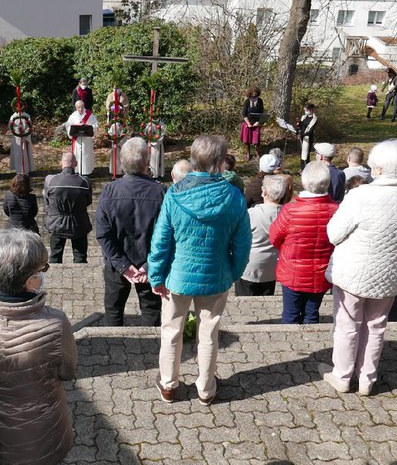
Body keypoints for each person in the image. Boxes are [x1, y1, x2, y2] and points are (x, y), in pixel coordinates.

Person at [320, 139, 397, 396]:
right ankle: (367, 379)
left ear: (379, 168)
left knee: (348, 325)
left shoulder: (361, 195)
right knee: (376, 325)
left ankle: (342, 376)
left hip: (354, 273)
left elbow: (334, 234)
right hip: (392, 273)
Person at [149, 135, 251, 405]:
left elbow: (161, 241)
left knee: (171, 331)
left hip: (177, 278)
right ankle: (206, 389)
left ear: (193, 159)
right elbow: (242, 245)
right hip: (216, 277)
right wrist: (233, 273)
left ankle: (169, 385)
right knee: (209, 334)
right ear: (219, 163)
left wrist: (156, 276)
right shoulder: (234, 197)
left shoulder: (174, 194)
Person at [0, 230, 77, 465]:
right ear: (29, 281)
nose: (43, 275)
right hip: (44, 436)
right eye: (42, 270)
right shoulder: (56, 323)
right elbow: (68, 372)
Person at [96, 138, 167, 327]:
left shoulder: (109, 191)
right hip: (149, 264)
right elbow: (168, 235)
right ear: (147, 161)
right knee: (152, 312)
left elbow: (103, 234)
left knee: (113, 311)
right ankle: (150, 350)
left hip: (116, 264)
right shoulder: (161, 193)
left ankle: (112, 350)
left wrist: (124, 265)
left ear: (121, 162)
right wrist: (147, 265)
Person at [270, 162, 339, 323]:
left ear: (303, 182)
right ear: (327, 183)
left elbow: (274, 238)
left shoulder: (290, 210)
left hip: (293, 272)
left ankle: (293, 347)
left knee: (290, 314)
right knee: (312, 313)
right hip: (322, 272)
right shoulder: (337, 210)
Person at [236, 175, 291, 297]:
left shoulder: (250, 214)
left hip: (249, 266)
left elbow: (238, 239)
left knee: (245, 301)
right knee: (266, 298)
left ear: (264, 192)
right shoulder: (287, 215)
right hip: (272, 268)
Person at [43, 152, 92, 264]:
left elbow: (47, 201)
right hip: (78, 223)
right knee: (80, 257)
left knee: (55, 256)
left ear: (61, 164)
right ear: (76, 164)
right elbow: (88, 202)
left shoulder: (50, 180)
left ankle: (54, 277)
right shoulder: (85, 181)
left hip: (56, 223)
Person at [65, 100, 98, 176]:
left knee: (86, 155)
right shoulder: (73, 116)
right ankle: (77, 170)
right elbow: (68, 126)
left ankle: (87, 171)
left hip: (87, 140)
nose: (80, 109)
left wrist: (90, 127)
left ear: (84, 106)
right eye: (78, 107)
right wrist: (75, 127)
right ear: (76, 107)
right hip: (77, 140)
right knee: (77, 155)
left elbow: (95, 125)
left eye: (82, 107)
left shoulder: (90, 115)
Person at [8, 109, 34, 175]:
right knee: (18, 154)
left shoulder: (26, 116)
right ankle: (19, 170)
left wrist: (25, 132)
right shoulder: (13, 116)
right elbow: (11, 127)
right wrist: (17, 131)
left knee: (25, 153)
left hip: (25, 137)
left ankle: (26, 170)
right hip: (17, 138)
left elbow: (29, 126)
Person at [241, 87, 264, 160]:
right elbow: (244, 114)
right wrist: (248, 123)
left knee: (257, 140)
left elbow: (262, 113)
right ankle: (248, 154)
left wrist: (258, 122)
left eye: (256, 96)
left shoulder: (260, 101)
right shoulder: (247, 101)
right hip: (247, 123)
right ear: (249, 96)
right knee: (247, 140)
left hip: (256, 123)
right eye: (252, 97)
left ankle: (257, 154)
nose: (254, 98)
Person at [297, 104, 318, 171]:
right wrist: (298, 124)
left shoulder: (314, 119)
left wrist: (302, 135)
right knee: (301, 153)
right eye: (305, 110)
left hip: (308, 138)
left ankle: (307, 169)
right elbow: (300, 126)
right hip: (301, 137)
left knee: (306, 153)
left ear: (311, 110)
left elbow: (310, 131)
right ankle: (301, 168)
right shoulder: (304, 117)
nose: (305, 111)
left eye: (306, 110)